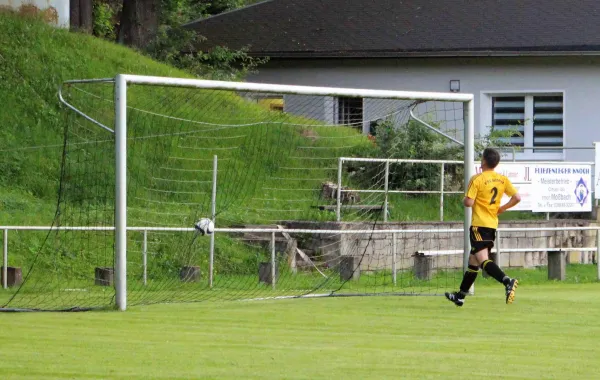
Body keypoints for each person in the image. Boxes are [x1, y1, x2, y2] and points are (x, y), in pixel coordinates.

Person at [445, 147, 521, 307]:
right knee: (473, 262)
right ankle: (460, 296)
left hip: (479, 225)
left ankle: (507, 281)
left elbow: (469, 202)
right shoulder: (502, 180)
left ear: (484, 161)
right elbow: (517, 197)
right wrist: (502, 208)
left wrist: (465, 199)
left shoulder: (477, 179)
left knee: (482, 260)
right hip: (492, 225)